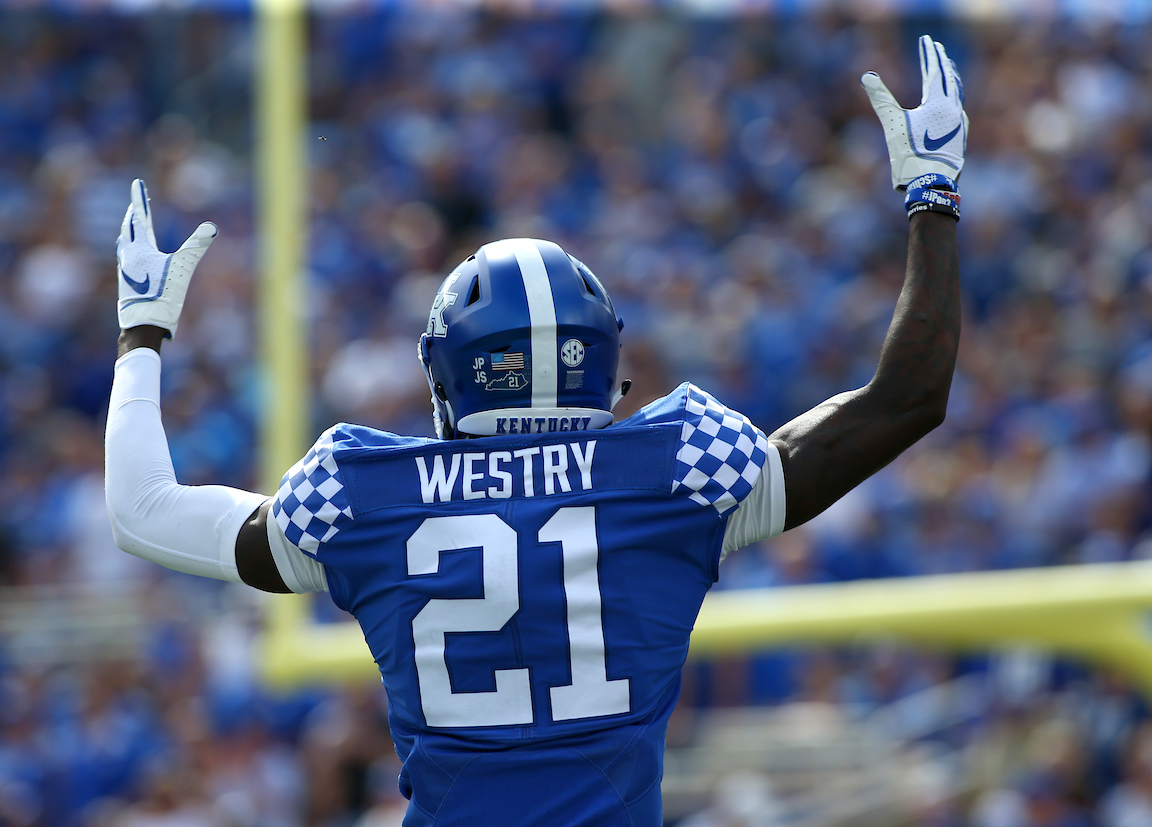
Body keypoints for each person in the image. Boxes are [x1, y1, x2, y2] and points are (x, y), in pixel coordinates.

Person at [105, 36, 965, 827]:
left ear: (448, 368)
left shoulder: (360, 492)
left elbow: (143, 508)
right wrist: (932, 194)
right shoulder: (680, 466)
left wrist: (142, 334)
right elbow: (908, 398)